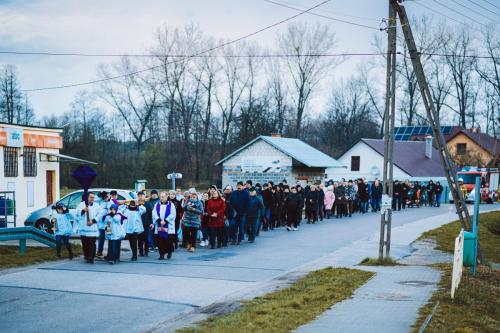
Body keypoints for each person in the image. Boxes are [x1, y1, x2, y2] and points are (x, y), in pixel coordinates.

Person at [76, 192, 103, 264]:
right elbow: (77, 213)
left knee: (92, 243)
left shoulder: (97, 206)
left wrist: (93, 221)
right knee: (85, 244)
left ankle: (91, 257)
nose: (92, 199)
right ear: (87, 197)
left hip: (92, 228)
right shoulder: (81, 205)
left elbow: (100, 215)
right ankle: (87, 256)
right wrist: (83, 210)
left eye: (93, 197)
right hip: (84, 228)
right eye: (91, 197)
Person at [152, 192, 177, 259]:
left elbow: (173, 214)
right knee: (160, 241)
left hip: (168, 226)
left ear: (166, 197)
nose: (161, 198)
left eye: (163, 197)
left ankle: (169, 252)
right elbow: (154, 213)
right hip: (159, 225)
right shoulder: (157, 204)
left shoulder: (171, 205)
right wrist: (159, 220)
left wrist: (165, 220)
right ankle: (161, 255)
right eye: (160, 197)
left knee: (168, 241)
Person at [96, 191, 112, 257]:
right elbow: (95, 200)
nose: (108, 197)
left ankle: (110, 253)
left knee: (110, 238)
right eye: (106, 196)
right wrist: (99, 195)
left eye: (108, 196)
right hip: (101, 224)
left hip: (108, 224)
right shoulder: (100, 201)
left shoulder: (110, 202)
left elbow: (110, 209)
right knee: (101, 238)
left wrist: (108, 200)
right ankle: (99, 252)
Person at [137, 191, 152, 256]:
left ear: (144, 196)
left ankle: (146, 251)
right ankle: (140, 252)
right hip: (138, 224)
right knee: (139, 239)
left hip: (146, 223)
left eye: (142, 195)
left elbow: (150, 214)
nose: (140, 197)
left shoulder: (147, 204)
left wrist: (151, 223)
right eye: (139, 196)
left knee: (146, 239)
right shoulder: (136, 204)